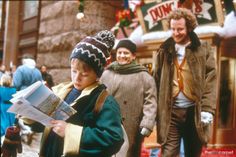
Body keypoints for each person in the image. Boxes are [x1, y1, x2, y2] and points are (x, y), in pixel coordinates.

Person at [34, 30, 123, 157]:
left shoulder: (105, 101)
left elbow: (114, 139)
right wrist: (31, 113)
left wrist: (70, 132)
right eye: (74, 71)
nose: (76, 78)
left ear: (97, 75)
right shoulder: (62, 91)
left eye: (84, 74)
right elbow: (42, 126)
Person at [152, 8, 217, 157]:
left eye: (180, 29)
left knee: (193, 153)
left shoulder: (203, 48)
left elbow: (211, 79)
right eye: (173, 29)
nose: (176, 33)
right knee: (168, 154)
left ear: (189, 27)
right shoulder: (164, 49)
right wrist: (155, 110)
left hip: (194, 112)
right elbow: (155, 80)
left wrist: (207, 108)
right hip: (170, 112)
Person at [100, 39, 157, 157]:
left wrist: (147, 123)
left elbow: (150, 102)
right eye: (119, 53)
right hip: (107, 123)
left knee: (128, 153)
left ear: (133, 56)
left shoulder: (144, 76)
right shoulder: (106, 74)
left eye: (126, 53)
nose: (122, 56)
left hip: (132, 126)